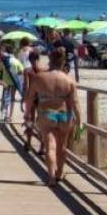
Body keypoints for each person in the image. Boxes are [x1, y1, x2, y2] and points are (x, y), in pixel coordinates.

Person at [28, 48, 80, 185]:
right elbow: (75, 103)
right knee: (62, 147)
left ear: (50, 60)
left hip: (47, 113)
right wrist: (79, 121)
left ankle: (51, 177)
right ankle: (59, 173)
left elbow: (30, 97)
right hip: (64, 115)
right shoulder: (69, 80)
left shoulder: (40, 77)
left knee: (50, 146)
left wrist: (27, 113)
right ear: (63, 62)